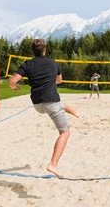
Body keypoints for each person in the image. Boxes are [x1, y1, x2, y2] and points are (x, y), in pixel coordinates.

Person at [9, 38, 79, 178]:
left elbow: (12, 81)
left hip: (37, 104)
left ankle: (76, 112)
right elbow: (59, 81)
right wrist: (49, 81)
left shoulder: (28, 64)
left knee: (59, 104)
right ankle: (53, 164)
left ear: (33, 51)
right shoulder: (53, 63)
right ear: (45, 50)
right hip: (51, 103)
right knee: (65, 132)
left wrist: (16, 86)